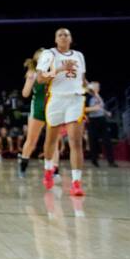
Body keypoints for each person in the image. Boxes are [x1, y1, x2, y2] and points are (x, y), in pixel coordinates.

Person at [37, 28, 88, 196]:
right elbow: (40, 78)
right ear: (55, 39)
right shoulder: (49, 54)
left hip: (75, 99)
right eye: (60, 34)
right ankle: (48, 169)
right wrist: (59, 70)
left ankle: (76, 182)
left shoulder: (79, 55)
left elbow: (81, 79)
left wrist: (88, 88)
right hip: (56, 99)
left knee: (76, 141)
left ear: (71, 38)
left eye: (67, 34)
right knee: (51, 140)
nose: (64, 37)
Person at [18, 50, 50, 177]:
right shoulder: (32, 73)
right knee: (32, 141)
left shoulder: (53, 71)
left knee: (53, 141)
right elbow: (25, 94)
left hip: (52, 108)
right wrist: (30, 80)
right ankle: (23, 165)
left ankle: (54, 170)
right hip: (37, 108)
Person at [85, 81, 115, 166]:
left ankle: (111, 161)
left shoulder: (99, 96)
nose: (98, 88)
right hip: (92, 120)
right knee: (93, 141)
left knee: (107, 140)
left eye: (99, 86)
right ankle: (94, 160)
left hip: (102, 119)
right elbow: (83, 109)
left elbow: (100, 107)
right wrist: (93, 109)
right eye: (96, 86)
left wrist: (106, 112)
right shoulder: (87, 97)